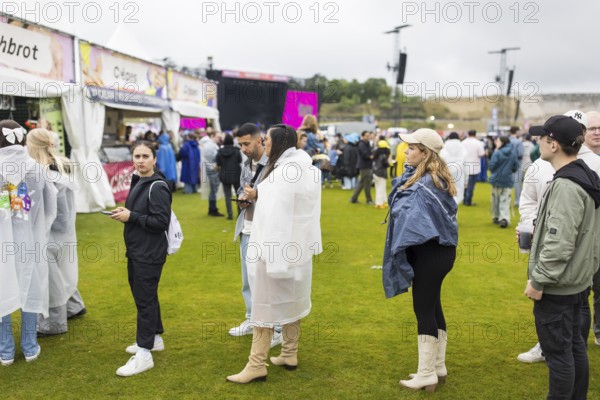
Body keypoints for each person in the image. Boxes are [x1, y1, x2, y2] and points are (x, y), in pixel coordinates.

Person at [227, 124, 322, 384]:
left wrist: (259, 194)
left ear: (278, 142)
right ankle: (289, 353)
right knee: (292, 300)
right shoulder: (306, 168)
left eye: (266, 139)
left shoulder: (286, 171)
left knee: (264, 306)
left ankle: (256, 364)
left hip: (276, 249)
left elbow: (278, 207)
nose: (263, 142)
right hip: (297, 249)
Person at [524, 115, 600, 399]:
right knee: (574, 348)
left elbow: (559, 242)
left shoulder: (568, 185)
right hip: (578, 280)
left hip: (559, 285)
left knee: (559, 355)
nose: (539, 142)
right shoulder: (584, 174)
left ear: (553, 144)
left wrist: (539, 280)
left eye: (543, 137)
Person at [382, 128, 457, 392]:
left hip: (429, 253)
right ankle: (438, 367)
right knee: (434, 306)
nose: (407, 151)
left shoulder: (423, 185)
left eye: (412, 147)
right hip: (441, 252)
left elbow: (411, 223)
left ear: (425, 152)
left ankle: (426, 373)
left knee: (423, 309)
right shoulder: (432, 178)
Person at [108, 141, 171, 377]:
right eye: (137, 156)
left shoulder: (158, 186)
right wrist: (127, 214)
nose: (141, 160)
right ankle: (153, 338)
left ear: (154, 159)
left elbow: (160, 222)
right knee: (145, 295)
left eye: (146, 156)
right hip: (137, 249)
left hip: (149, 252)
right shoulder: (139, 180)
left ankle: (144, 354)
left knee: (144, 300)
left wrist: (131, 216)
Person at [0, 120, 57, 366]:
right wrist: (39, 228)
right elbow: (50, 206)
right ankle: (30, 345)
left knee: (3, 288)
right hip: (29, 239)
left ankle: (5, 350)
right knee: (29, 287)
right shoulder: (36, 169)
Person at [26, 128, 82, 337]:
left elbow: (59, 211)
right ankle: (75, 305)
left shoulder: (47, 172)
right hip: (60, 232)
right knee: (61, 271)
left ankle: (54, 322)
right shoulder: (60, 165)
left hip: (51, 233)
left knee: (50, 277)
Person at [489, 136, 518, 228]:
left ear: (503, 142)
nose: (496, 142)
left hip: (496, 179)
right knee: (505, 200)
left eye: (498, 140)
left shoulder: (497, 153)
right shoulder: (513, 153)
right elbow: (515, 167)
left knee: (496, 199)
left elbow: (491, 166)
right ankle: (504, 218)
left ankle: (496, 216)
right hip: (507, 179)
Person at [216, 134, 242, 220]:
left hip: (225, 175)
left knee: (228, 195)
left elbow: (218, 163)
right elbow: (240, 160)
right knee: (239, 195)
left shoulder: (220, 151)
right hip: (236, 174)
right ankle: (239, 213)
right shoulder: (236, 150)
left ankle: (230, 214)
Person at [200, 130, 224, 216]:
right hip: (212, 170)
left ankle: (212, 208)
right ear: (213, 136)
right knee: (214, 190)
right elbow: (214, 158)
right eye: (218, 137)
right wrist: (216, 166)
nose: (219, 139)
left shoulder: (209, 145)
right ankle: (213, 209)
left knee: (213, 190)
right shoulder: (211, 146)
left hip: (210, 169)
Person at [440, 132, 467, 205]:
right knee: (457, 196)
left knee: (446, 195)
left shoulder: (444, 149)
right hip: (459, 175)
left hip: (446, 174)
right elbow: (465, 166)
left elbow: (440, 164)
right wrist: (466, 181)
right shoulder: (463, 149)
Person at [462, 130, 485, 206]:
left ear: (468, 134)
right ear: (475, 134)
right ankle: (468, 201)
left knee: (465, 184)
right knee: (471, 185)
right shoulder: (478, 143)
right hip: (474, 167)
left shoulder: (463, 142)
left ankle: (465, 199)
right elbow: (481, 154)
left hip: (464, 166)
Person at [350, 131, 374, 204]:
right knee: (367, 183)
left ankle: (353, 199)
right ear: (362, 136)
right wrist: (372, 156)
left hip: (366, 165)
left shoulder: (366, 143)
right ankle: (369, 200)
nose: (368, 137)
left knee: (362, 183)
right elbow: (365, 155)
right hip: (364, 166)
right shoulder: (362, 144)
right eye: (366, 136)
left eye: (368, 135)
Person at [372, 137, 391, 208]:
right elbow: (387, 164)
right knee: (381, 188)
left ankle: (383, 201)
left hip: (375, 173)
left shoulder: (376, 155)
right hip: (381, 174)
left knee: (378, 188)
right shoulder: (384, 156)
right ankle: (379, 203)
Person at [509, 126, 525, 206]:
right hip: (516, 165)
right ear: (516, 131)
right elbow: (520, 154)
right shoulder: (518, 142)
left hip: (506, 165)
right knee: (517, 184)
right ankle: (518, 201)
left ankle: (506, 201)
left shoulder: (507, 140)